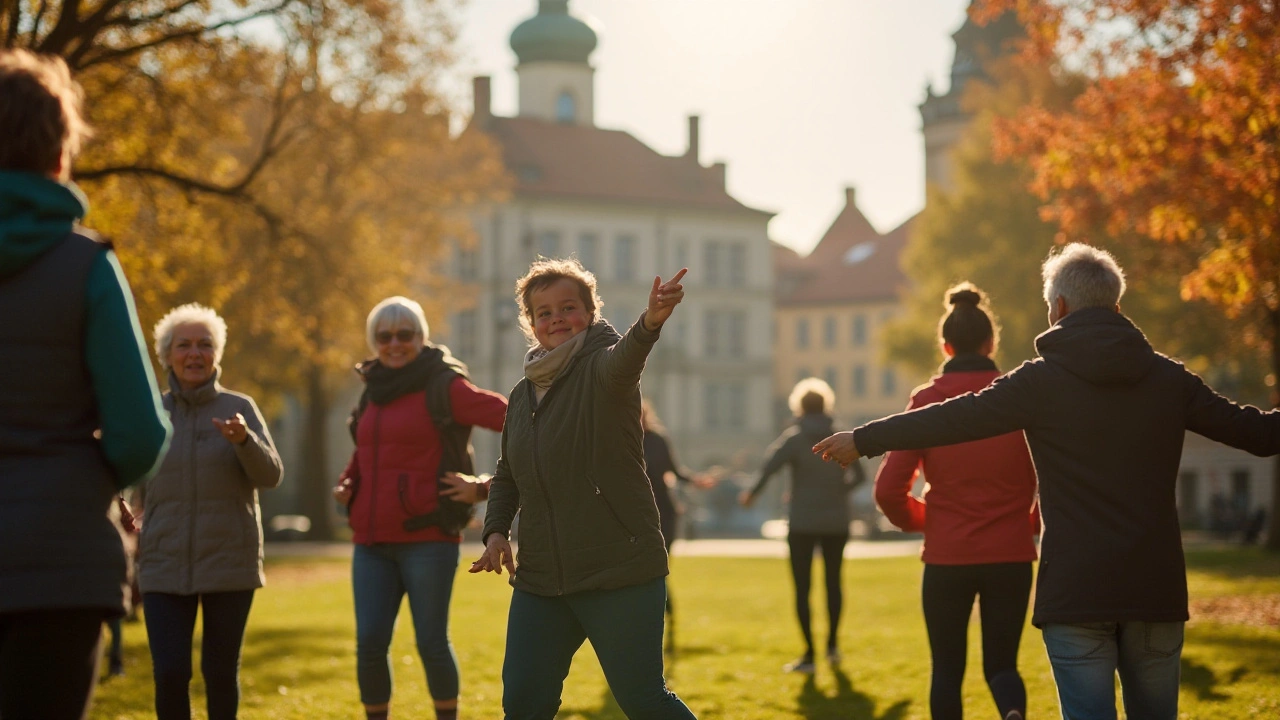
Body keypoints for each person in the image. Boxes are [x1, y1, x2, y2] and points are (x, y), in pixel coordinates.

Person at [814, 243, 1280, 720]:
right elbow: (1261, 434)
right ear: (1116, 307)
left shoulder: (1039, 382)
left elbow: (951, 419)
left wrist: (865, 438)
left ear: (1057, 308)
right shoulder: (1168, 379)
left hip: (1076, 590)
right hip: (1153, 588)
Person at [0, 49, 172, 720]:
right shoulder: (87, 266)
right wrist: (75, 478)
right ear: (61, 149)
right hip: (61, 563)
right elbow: (138, 431)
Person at [472, 258, 696, 720]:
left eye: (568, 307)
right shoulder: (521, 395)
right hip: (541, 579)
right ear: (530, 323)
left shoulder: (603, 369)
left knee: (643, 701)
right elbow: (509, 472)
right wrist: (495, 532)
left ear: (591, 312)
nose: (556, 318)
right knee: (523, 705)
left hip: (617, 569)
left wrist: (651, 321)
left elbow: (629, 354)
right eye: (544, 312)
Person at [333, 296, 507, 720]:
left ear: (421, 337)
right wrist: (349, 481)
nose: (395, 343)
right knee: (370, 644)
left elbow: (517, 420)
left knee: (430, 641)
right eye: (384, 336)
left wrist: (485, 487)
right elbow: (368, 447)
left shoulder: (443, 385)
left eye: (404, 334)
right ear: (374, 341)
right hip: (371, 541)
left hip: (428, 538)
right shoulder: (373, 386)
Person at [873, 283, 1038, 720]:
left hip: (948, 553)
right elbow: (1053, 476)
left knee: (946, 670)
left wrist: (927, 520)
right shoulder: (1021, 399)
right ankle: (1012, 713)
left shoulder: (926, 401)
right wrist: (1032, 522)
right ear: (991, 343)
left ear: (945, 346)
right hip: (1012, 552)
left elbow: (888, 489)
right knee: (1003, 665)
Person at [135, 303, 283, 720]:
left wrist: (244, 440)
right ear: (166, 354)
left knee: (219, 672)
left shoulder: (240, 407)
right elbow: (132, 476)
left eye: (204, 345)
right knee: (169, 673)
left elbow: (271, 475)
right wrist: (127, 510)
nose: (194, 354)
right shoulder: (151, 411)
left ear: (217, 354)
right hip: (163, 563)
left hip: (228, 563)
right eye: (184, 345)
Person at [739, 377, 864, 673]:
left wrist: (751, 495)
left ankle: (808, 655)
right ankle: (832, 647)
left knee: (802, 588)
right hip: (836, 520)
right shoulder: (840, 437)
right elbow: (860, 477)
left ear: (799, 407)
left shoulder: (793, 439)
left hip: (802, 521)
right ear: (826, 405)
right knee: (834, 583)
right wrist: (837, 491)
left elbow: (769, 467)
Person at [641, 398, 714, 646]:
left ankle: (664, 618)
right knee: (643, 574)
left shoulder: (658, 439)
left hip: (664, 512)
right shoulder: (618, 438)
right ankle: (654, 620)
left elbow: (675, 471)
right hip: (635, 514)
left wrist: (696, 480)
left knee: (658, 571)